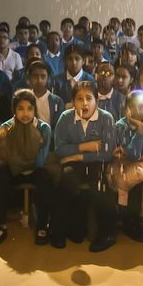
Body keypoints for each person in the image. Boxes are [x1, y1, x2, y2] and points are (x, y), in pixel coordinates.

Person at [53, 81, 117, 252]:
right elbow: (59, 149)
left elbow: (107, 153)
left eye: (89, 98)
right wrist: (85, 146)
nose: (85, 103)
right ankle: (59, 231)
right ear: (73, 102)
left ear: (97, 100)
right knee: (66, 180)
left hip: (98, 162)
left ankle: (107, 234)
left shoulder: (106, 118)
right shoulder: (65, 118)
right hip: (74, 164)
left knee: (101, 185)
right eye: (79, 99)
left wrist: (77, 155)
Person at [0, 88, 56, 246]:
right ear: (14, 110)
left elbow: (40, 160)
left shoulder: (44, 128)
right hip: (13, 168)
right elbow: (3, 157)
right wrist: (17, 163)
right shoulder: (6, 128)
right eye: (20, 108)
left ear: (34, 109)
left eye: (30, 109)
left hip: (35, 169)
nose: (25, 114)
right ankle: (0, 225)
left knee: (45, 177)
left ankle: (42, 226)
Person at [110, 89, 143, 242]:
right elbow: (132, 155)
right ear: (127, 108)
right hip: (128, 166)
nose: (137, 110)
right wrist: (139, 129)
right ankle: (131, 224)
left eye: (141, 106)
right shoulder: (120, 126)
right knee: (134, 182)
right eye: (133, 106)